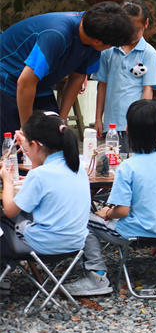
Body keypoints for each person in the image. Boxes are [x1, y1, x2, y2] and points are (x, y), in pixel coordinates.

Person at [64, 100, 156, 296]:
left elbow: (122, 211)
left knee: (86, 220)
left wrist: (107, 212)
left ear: (128, 130)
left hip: (134, 233)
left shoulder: (128, 167)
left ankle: (97, 275)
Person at [0, 2, 137, 135]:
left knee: (54, 136)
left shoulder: (94, 35)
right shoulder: (56, 34)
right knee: (17, 146)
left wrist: (62, 119)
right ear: (98, 42)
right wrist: (27, 129)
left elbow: (77, 77)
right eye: (111, 45)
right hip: (7, 80)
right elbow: (25, 82)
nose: (110, 48)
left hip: (39, 85)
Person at [0, 112, 89, 270]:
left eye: (27, 145)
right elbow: (41, 166)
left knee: (3, 223)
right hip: (76, 243)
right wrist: (28, 147)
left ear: (35, 144)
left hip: (45, 246)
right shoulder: (78, 168)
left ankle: (5, 274)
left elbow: (9, 211)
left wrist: (6, 180)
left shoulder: (38, 175)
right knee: (28, 214)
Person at [93, 0, 156, 153]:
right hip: (110, 126)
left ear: (146, 24)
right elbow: (102, 86)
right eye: (128, 28)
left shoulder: (148, 53)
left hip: (135, 126)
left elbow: (147, 90)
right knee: (111, 167)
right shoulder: (108, 50)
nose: (132, 34)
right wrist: (98, 119)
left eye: (137, 29)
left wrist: (142, 121)